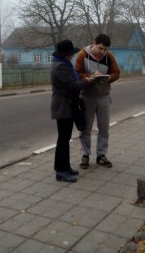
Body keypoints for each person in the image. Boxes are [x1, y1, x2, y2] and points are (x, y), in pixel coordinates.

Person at [75, 33, 120, 169]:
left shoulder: (109, 57)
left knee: (104, 128)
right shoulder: (83, 55)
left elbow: (116, 72)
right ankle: (85, 155)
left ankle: (101, 154)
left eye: (105, 49)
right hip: (87, 97)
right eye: (100, 48)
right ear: (94, 43)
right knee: (85, 129)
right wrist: (89, 77)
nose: (103, 52)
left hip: (103, 97)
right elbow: (77, 73)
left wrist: (108, 78)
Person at [51, 39, 93, 183]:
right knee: (63, 139)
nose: (72, 56)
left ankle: (65, 167)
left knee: (65, 138)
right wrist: (87, 81)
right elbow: (71, 87)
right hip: (63, 107)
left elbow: (73, 83)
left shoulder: (64, 64)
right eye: (71, 54)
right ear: (66, 54)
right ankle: (60, 171)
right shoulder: (61, 67)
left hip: (67, 106)